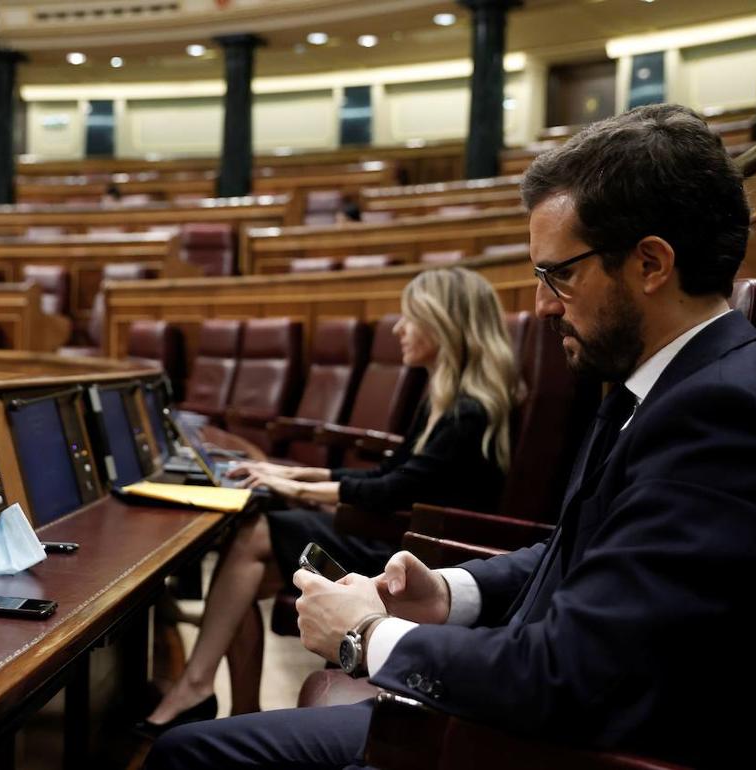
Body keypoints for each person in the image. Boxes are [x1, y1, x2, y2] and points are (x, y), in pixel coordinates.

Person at [147, 104, 756, 769]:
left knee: (191, 757)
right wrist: (446, 592)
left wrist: (367, 635)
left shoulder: (720, 415)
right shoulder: (667, 387)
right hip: (519, 721)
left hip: (540, 749)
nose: (542, 304)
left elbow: (573, 674)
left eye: (559, 274)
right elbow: (577, 553)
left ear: (650, 263)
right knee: (193, 749)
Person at [141, 266, 518, 733]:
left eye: (411, 317)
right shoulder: (444, 399)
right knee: (243, 571)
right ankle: (227, 708)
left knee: (252, 536)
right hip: (401, 537)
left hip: (415, 560)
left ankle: (202, 693)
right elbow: (389, 474)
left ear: (445, 324)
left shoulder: (469, 412)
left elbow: (391, 491)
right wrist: (297, 472)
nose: (399, 329)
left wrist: (296, 488)